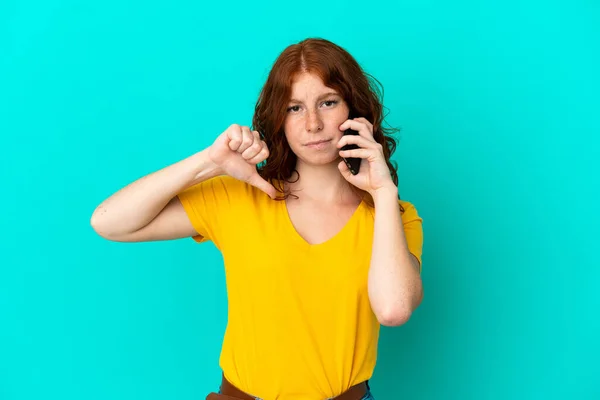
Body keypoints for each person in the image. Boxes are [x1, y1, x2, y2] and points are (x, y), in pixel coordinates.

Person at [90, 37, 424, 400]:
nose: (313, 124)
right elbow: (108, 221)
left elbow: (393, 310)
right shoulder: (238, 196)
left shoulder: (393, 217)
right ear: (278, 118)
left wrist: (384, 191)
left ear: (354, 110)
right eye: (294, 108)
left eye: (328, 102)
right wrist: (209, 163)